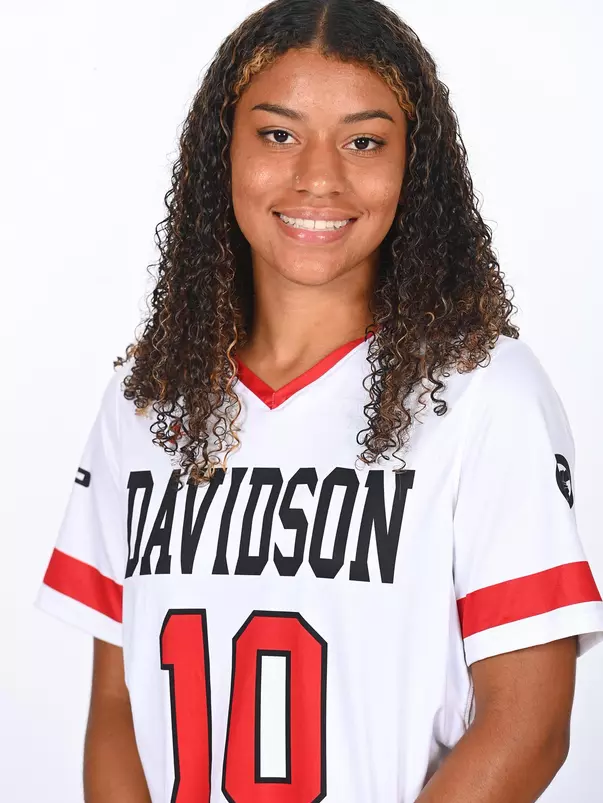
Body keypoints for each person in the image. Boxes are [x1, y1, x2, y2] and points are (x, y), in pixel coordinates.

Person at [34, 0, 603, 801]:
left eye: (364, 141)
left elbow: (528, 723)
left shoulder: (485, 393)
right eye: (277, 134)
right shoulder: (148, 402)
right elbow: (118, 701)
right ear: (218, 151)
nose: (318, 177)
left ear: (416, 166)